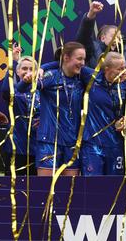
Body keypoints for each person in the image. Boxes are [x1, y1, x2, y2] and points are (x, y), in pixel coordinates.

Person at [18, 42, 87, 177]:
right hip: (49, 140)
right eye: (79, 59)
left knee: (71, 190)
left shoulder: (81, 79)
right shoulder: (50, 76)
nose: (83, 63)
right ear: (66, 57)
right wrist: (26, 80)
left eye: (84, 59)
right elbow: (22, 89)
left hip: (72, 142)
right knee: (46, 189)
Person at [79, 52, 126, 176]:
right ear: (107, 69)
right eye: (119, 69)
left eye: (125, 67)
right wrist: (42, 68)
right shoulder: (91, 78)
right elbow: (67, 62)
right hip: (93, 144)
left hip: (116, 144)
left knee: (114, 187)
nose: (124, 72)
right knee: (92, 186)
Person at [76, 1, 126, 83]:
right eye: (113, 36)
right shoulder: (92, 49)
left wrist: (122, 82)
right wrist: (91, 15)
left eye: (119, 38)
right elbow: (83, 37)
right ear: (103, 38)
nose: (117, 40)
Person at [1, 55, 39, 176]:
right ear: (17, 71)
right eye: (24, 68)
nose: (28, 72)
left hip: (39, 148)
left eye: (31, 69)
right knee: (14, 188)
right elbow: (6, 91)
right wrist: (12, 62)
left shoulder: (43, 91)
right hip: (17, 148)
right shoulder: (15, 91)